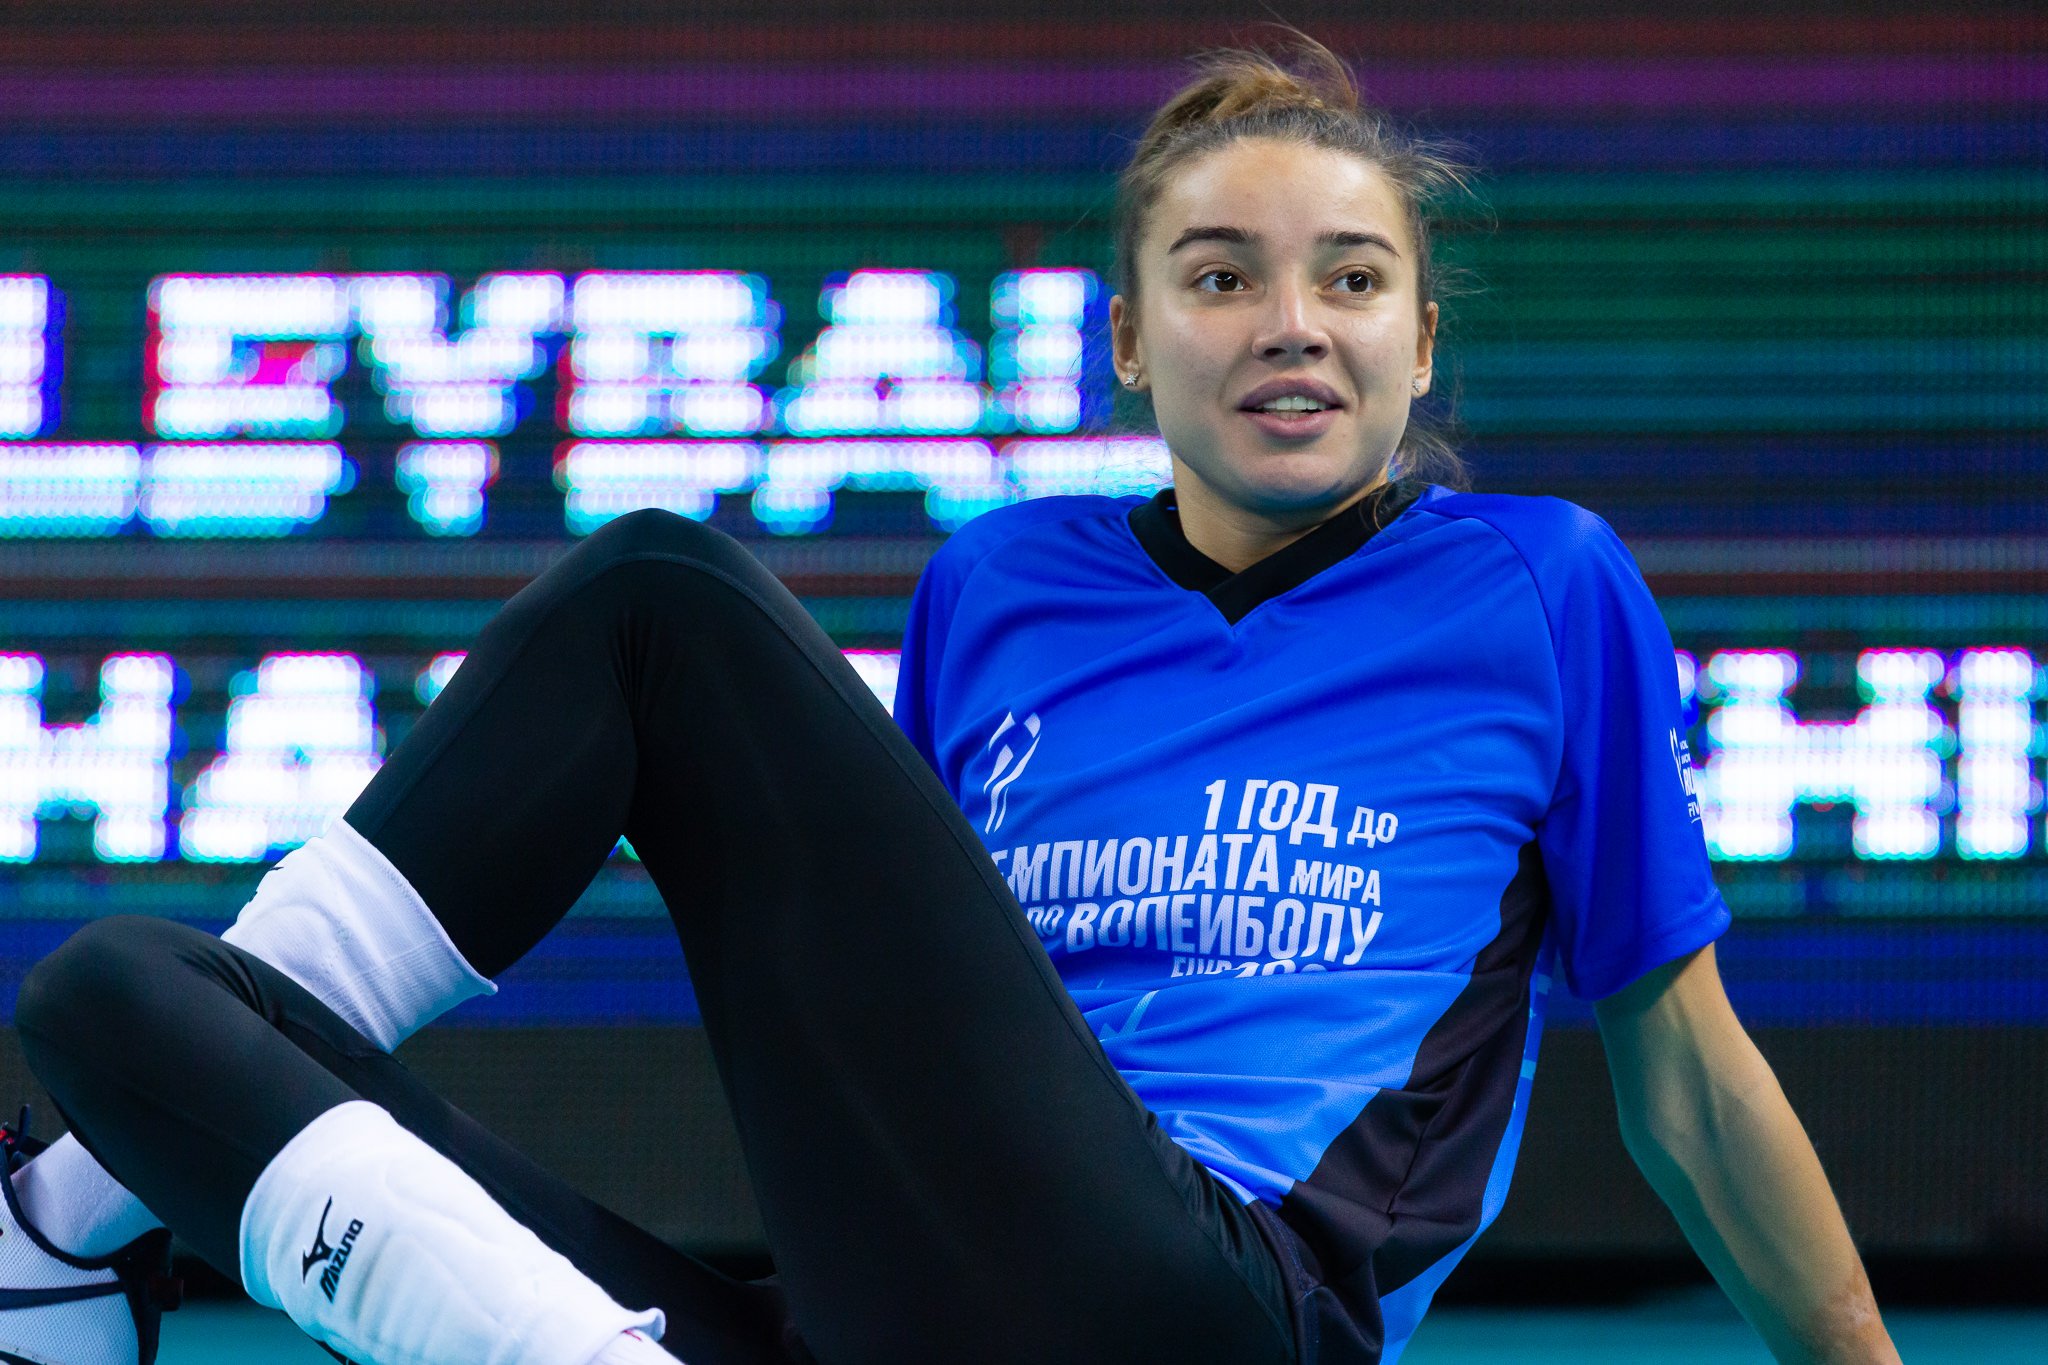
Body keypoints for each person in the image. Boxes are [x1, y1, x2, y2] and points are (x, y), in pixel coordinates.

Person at [0, 36, 1900, 1365]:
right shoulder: (995, 587)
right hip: (903, 1316)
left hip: (1221, 1308)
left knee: (659, 598)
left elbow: (1686, 1073)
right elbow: (891, 1041)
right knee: (115, 1002)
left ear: (1421, 341)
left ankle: (58, 1228)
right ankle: (68, 1238)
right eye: (1220, 277)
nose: (1292, 324)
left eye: (1353, 279)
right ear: (1128, 340)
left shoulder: (1541, 585)